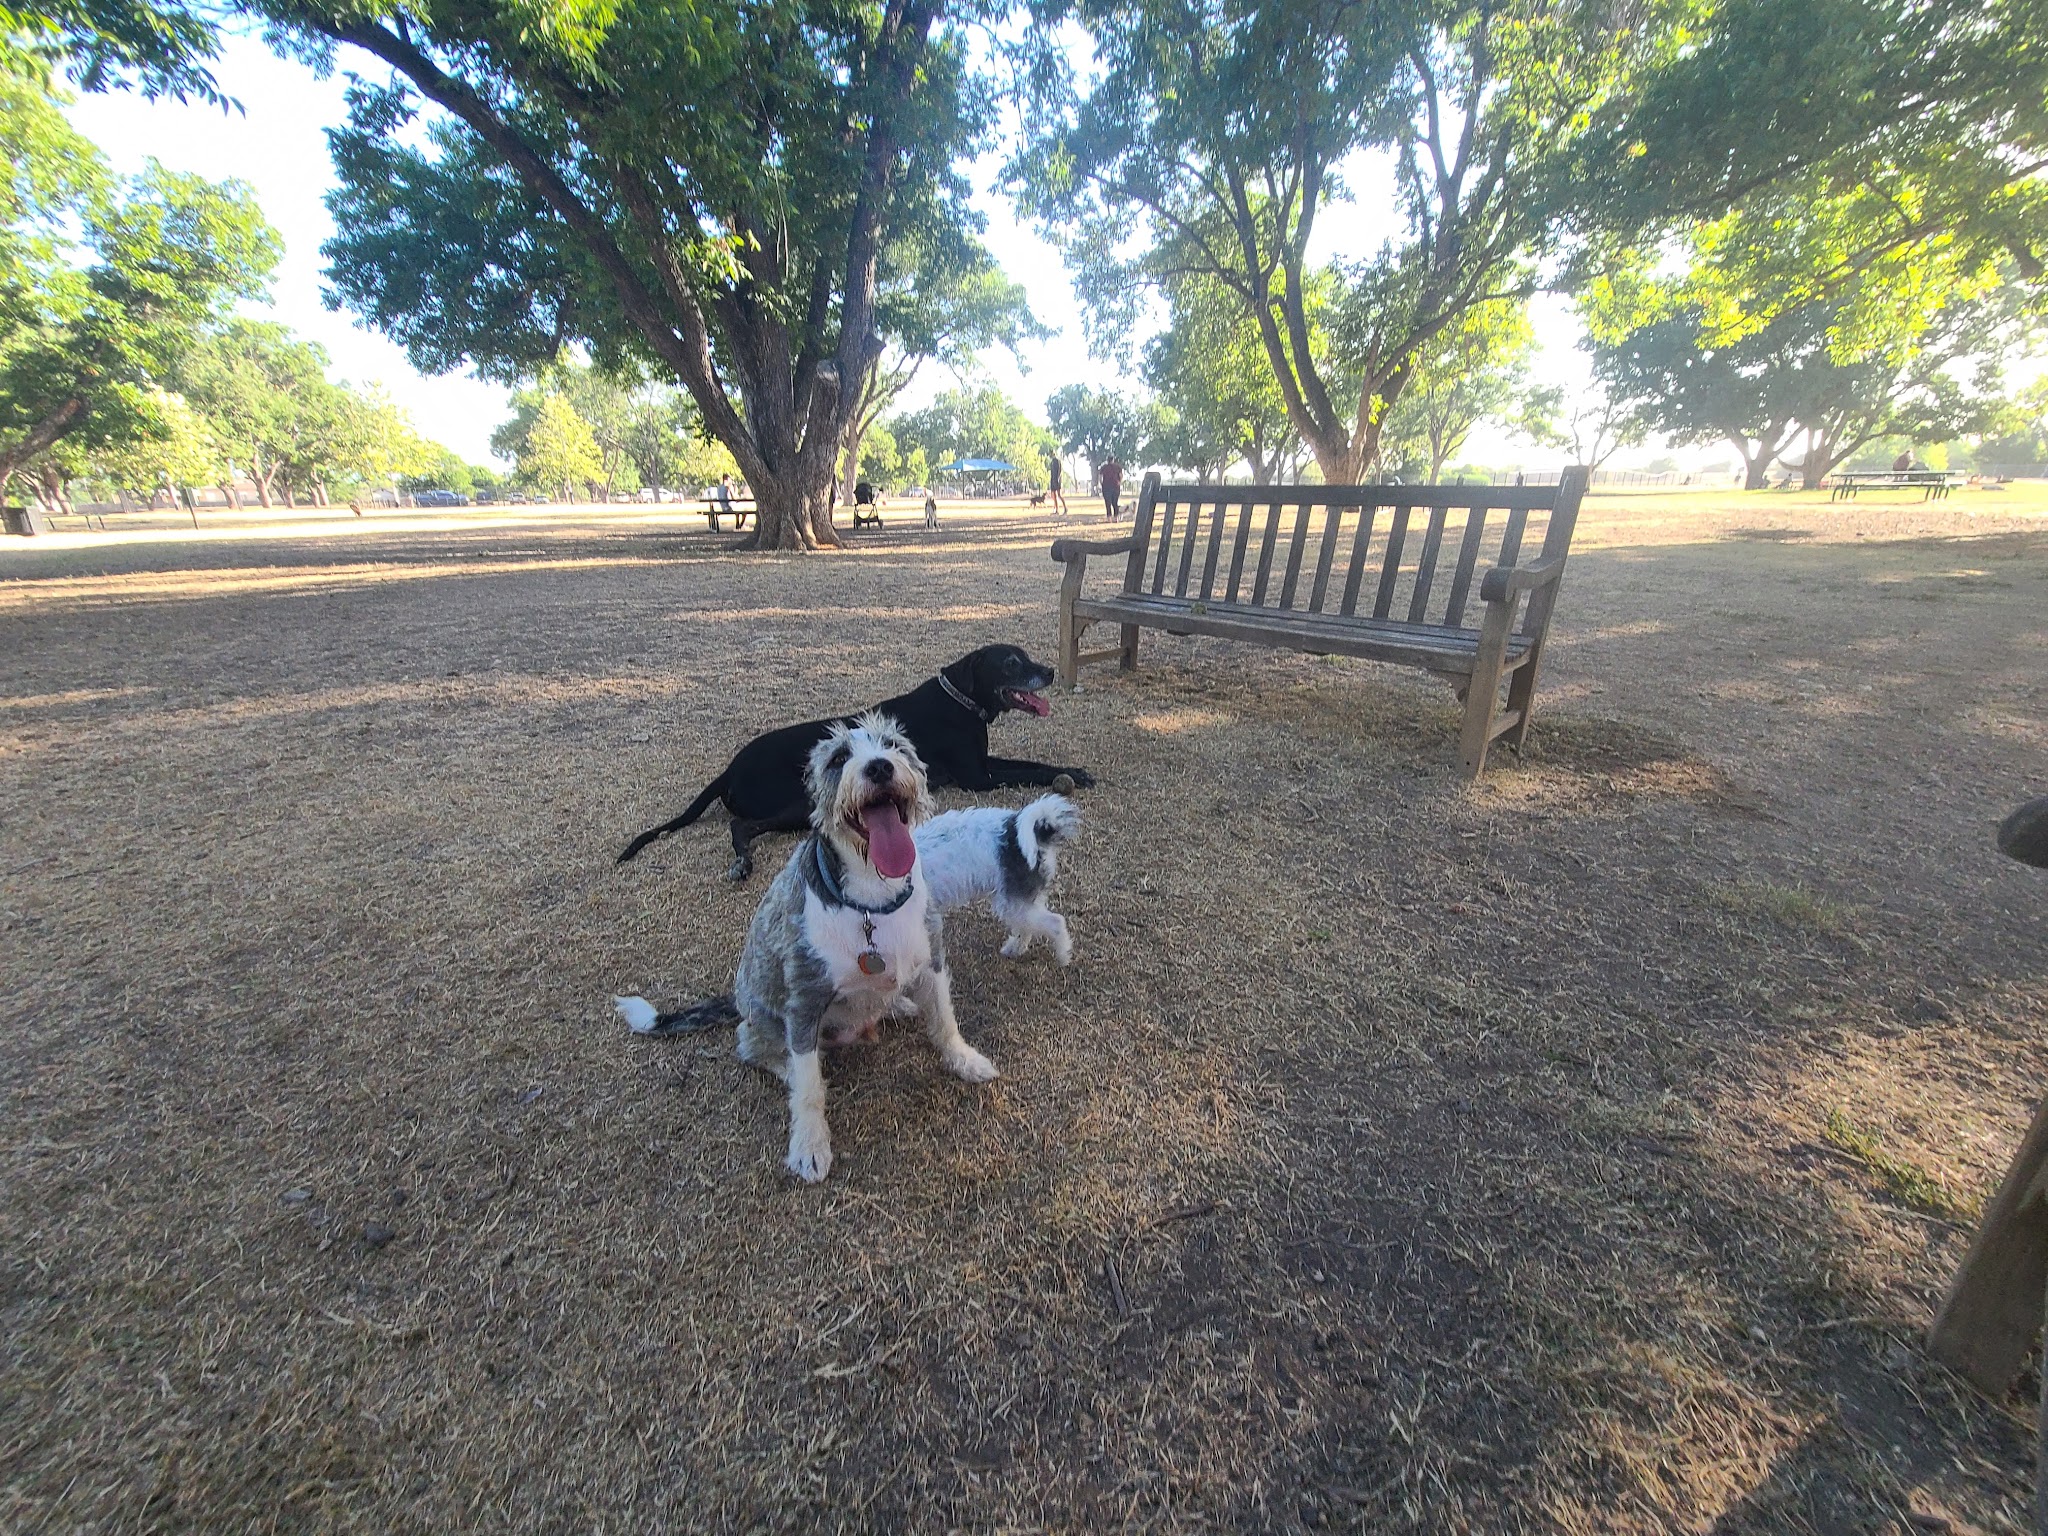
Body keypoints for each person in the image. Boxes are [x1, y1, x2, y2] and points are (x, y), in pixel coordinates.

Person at [1100, 455, 1124, 519]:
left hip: (1106, 487)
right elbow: (1121, 476)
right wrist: (1119, 482)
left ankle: (1109, 517)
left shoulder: (1103, 467)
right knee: (1115, 502)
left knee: (1108, 503)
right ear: (1113, 460)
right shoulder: (1118, 467)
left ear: (1107, 460)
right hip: (1116, 486)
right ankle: (1116, 517)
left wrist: (1101, 484)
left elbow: (1100, 477)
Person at [1046, 452, 1068, 516]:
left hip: (1057, 480)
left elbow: (1059, 471)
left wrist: (1058, 479)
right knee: (1054, 496)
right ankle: (1056, 509)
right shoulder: (1052, 462)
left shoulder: (1057, 461)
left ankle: (1065, 508)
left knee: (1059, 495)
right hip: (1053, 480)